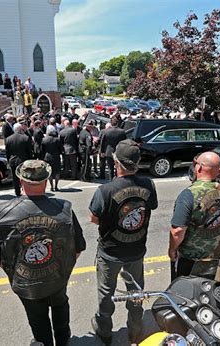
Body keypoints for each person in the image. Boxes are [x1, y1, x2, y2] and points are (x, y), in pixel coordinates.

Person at [0, 160, 86, 346]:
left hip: (26, 285)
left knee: (38, 323)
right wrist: (62, 271)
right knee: (61, 314)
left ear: (21, 181)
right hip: (57, 279)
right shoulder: (64, 209)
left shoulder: (3, 212)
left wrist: (18, 274)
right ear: (47, 181)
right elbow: (78, 248)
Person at [89, 139, 158, 344]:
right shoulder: (148, 184)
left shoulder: (105, 190)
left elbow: (94, 219)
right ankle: (135, 330)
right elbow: (150, 207)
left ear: (116, 162)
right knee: (135, 292)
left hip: (111, 251)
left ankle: (105, 331)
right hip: (136, 250)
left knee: (106, 293)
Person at [169, 152, 220, 279]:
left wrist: (172, 250)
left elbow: (178, 231)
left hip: (191, 258)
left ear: (199, 168)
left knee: (183, 291)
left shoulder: (188, 195)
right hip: (215, 254)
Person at [5, 123, 33, 196]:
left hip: (13, 161)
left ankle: (17, 192)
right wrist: (30, 161)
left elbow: (7, 153)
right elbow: (29, 151)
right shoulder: (25, 138)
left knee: (15, 178)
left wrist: (9, 161)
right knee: (24, 177)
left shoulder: (8, 139)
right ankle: (25, 190)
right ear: (20, 129)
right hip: (23, 161)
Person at [42, 127, 63, 191]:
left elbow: (42, 150)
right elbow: (61, 149)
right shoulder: (57, 140)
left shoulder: (44, 139)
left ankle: (51, 186)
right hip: (56, 157)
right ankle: (56, 186)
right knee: (57, 172)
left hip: (47, 157)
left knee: (49, 172)